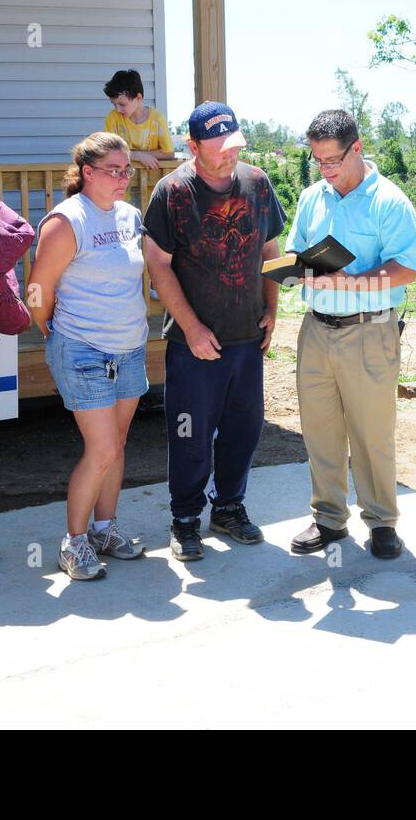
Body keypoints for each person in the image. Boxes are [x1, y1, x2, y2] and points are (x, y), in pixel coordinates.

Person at [143, 102, 286, 561]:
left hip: (246, 336)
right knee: (190, 434)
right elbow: (158, 265)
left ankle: (229, 507)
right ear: (193, 147)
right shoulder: (172, 192)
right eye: (218, 149)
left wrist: (272, 307)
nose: (229, 157)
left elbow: (270, 249)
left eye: (234, 148)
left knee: (244, 430)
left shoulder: (258, 183)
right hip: (193, 344)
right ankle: (184, 519)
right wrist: (191, 326)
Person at [285, 110, 416, 560]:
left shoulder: (390, 201)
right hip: (316, 331)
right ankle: (328, 519)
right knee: (320, 431)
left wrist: (354, 282)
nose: (325, 169)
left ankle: (381, 521)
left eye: (332, 160)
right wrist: (295, 270)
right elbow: (295, 248)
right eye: (317, 160)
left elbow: (407, 267)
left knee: (370, 432)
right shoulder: (311, 197)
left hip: (369, 331)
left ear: (357, 149)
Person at [28, 132, 149, 581]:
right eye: (113, 170)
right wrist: (51, 330)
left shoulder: (130, 216)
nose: (122, 178)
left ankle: (104, 528)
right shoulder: (66, 221)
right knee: (99, 449)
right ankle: (74, 543)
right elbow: (38, 291)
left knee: (116, 447)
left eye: (127, 170)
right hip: (82, 350)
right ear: (86, 173)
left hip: (130, 346)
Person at [103, 69, 174, 172]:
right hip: (122, 184)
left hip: (151, 184)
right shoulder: (112, 118)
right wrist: (137, 156)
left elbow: (168, 153)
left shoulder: (157, 119)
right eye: (114, 104)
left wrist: (130, 155)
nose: (117, 109)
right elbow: (107, 152)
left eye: (122, 104)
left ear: (139, 98)